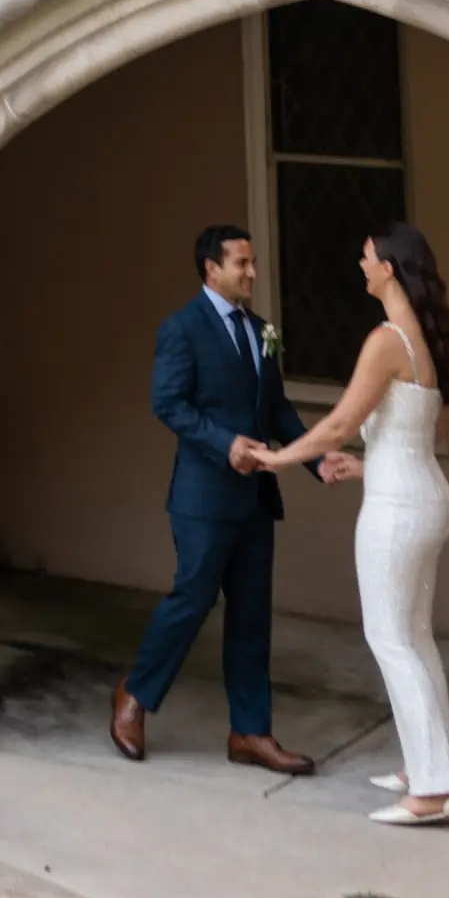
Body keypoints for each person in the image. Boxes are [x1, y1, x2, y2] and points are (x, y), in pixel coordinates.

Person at [110, 221, 353, 774]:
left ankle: (250, 732)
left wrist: (317, 458)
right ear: (210, 269)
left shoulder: (262, 330)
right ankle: (134, 695)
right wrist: (225, 446)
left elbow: (278, 411)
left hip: (256, 502)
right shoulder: (182, 328)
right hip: (202, 497)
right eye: (240, 263)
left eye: (252, 262)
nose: (252, 272)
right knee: (192, 601)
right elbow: (168, 403)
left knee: (251, 617)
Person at [257, 223, 449, 825]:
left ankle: (430, 790)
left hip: (398, 509)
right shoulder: (424, 338)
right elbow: (433, 436)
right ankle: (427, 767)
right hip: (425, 495)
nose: (360, 264)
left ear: (390, 271)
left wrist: (276, 457)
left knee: (391, 639)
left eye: (367, 258)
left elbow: (337, 424)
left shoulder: (385, 340)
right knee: (415, 638)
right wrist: (366, 467)